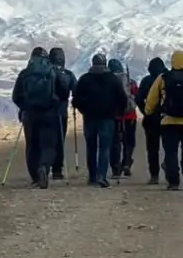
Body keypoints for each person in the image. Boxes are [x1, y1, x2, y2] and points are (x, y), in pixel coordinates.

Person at [144, 50, 183, 191]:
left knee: (170, 151)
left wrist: (148, 112)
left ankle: (173, 181)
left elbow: (152, 99)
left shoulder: (163, 78)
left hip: (168, 121)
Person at [71, 53, 129, 187]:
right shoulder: (113, 79)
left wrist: (83, 110)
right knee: (105, 147)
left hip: (89, 118)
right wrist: (118, 111)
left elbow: (76, 100)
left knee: (91, 147)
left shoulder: (85, 79)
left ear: (92, 63)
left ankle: (92, 176)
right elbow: (122, 98)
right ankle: (101, 175)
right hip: (107, 118)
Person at [11, 47, 63, 189]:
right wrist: (56, 103)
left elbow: (16, 96)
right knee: (48, 145)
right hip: (49, 115)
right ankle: (44, 168)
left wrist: (25, 106)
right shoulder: (52, 72)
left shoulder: (24, 74)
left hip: (30, 116)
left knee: (32, 146)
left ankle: (35, 176)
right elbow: (63, 89)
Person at [136, 57, 169, 184]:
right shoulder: (168, 78)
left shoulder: (146, 81)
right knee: (169, 147)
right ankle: (169, 166)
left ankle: (154, 175)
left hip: (151, 119)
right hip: (168, 117)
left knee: (152, 149)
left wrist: (146, 112)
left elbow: (139, 99)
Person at [48, 47, 78, 180]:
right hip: (61, 112)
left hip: (45, 112)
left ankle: (43, 165)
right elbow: (77, 92)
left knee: (46, 140)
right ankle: (57, 170)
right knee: (59, 141)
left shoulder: (46, 72)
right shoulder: (68, 74)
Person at [108, 58, 138, 178]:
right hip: (130, 116)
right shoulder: (130, 81)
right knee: (129, 141)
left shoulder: (108, 81)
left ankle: (115, 168)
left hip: (114, 115)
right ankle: (126, 162)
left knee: (114, 142)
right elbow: (136, 95)